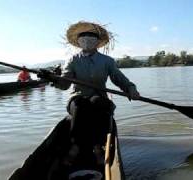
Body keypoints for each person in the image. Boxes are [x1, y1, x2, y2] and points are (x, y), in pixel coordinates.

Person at [39, 21, 140, 166]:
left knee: (97, 103)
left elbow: (119, 78)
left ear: (98, 42)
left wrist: (131, 89)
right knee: (80, 105)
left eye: (91, 38)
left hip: (99, 96)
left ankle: (98, 146)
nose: (87, 41)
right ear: (78, 42)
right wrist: (52, 78)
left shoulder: (107, 61)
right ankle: (76, 146)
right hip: (77, 97)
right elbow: (65, 84)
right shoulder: (72, 60)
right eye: (83, 38)